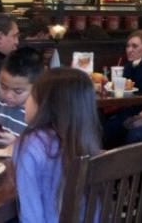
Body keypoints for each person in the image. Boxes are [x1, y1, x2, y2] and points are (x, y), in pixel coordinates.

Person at [14, 68, 101, 223]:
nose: (25, 102)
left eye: (31, 95)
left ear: (45, 105)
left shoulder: (30, 144)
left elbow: (31, 215)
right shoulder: (86, 142)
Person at [0, 47, 44, 146]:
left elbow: (40, 150)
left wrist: (15, 143)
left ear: (36, 87)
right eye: (3, 87)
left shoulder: (38, 115)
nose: (8, 95)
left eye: (18, 91)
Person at [103, 30, 142, 148]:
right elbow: (121, 91)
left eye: (134, 46)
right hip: (127, 108)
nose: (129, 50)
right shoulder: (129, 65)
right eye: (128, 46)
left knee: (110, 128)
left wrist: (139, 117)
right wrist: (109, 85)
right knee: (101, 121)